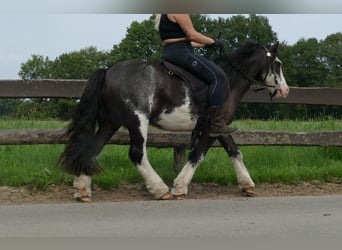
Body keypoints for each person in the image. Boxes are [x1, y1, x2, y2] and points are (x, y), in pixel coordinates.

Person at [155, 14, 237, 136]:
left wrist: (207, 44)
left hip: (171, 52)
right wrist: (214, 41)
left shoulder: (163, 14)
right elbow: (192, 35)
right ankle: (216, 123)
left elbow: (184, 40)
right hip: (182, 53)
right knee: (218, 77)